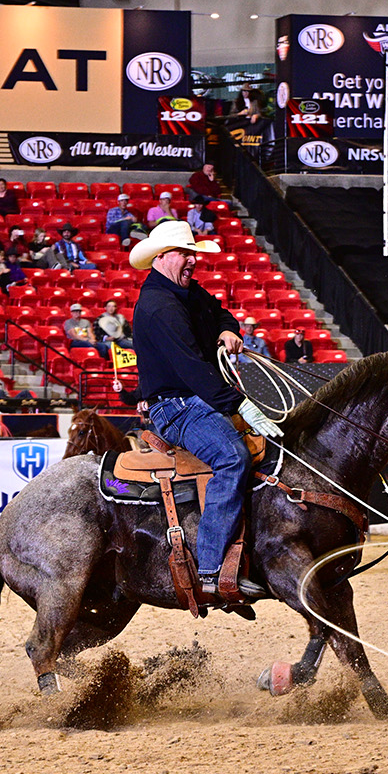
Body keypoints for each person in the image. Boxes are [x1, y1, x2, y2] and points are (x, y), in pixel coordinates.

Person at [131, 220, 279, 602]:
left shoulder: (186, 292)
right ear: (161, 257)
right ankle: (210, 570)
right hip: (176, 407)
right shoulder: (159, 307)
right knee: (232, 458)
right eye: (184, 253)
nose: (192, 260)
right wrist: (237, 403)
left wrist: (229, 330)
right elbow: (192, 368)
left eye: (192, 253)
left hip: (195, 398)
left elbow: (220, 312)